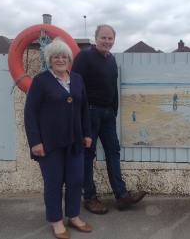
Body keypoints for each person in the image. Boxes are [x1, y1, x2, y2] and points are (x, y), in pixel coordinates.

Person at [72, 24, 147, 213]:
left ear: (114, 41)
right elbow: (75, 87)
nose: (107, 41)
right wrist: (80, 117)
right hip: (89, 112)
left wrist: (114, 113)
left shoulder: (111, 60)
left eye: (110, 38)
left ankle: (121, 197)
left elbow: (113, 88)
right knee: (88, 155)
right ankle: (89, 198)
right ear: (95, 38)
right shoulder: (84, 57)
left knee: (113, 151)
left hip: (107, 114)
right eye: (103, 38)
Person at [24, 38, 93, 239]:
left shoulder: (78, 79)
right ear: (49, 59)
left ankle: (73, 216)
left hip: (75, 140)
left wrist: (87, 133)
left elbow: (83, 109)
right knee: (53, 182)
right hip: (50, 143)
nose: (60, 59)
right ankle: (55, 221)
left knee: (75, 180)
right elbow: (30, 113)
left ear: (69, 58)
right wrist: (35, 142)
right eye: (56, 56)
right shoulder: (40, 80)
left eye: (64, 56)